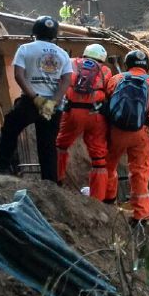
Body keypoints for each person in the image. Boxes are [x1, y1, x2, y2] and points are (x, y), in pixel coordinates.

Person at [0, 16, 72, 181]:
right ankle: (50, 181)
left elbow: (18, 75)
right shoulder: (63, 53)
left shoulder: (25, 49)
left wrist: (35, 98)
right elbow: (66, 80)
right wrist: (53, 102)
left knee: (10, 129)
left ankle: (2, 166)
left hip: (30, 101)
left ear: (35, 32)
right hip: (52, 105)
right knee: (48, 143)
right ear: (54, 35)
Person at [104, 49, 149, 216]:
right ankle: (141, 214)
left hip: (117, 131)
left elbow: (106, 102)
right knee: (140, 171)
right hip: (141, 132)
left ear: (127, 64)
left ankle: (107, 201)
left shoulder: (116, 79)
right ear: (147, 66)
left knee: (109, 165)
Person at [56, 43, 112, 192]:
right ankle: (98, 197)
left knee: (61, 145)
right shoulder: (105, 70)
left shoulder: (71, 62)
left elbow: (59, 81)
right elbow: (109, 92)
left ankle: (56, 180)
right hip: (95, 115)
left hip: (72, 112)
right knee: (99, 156)